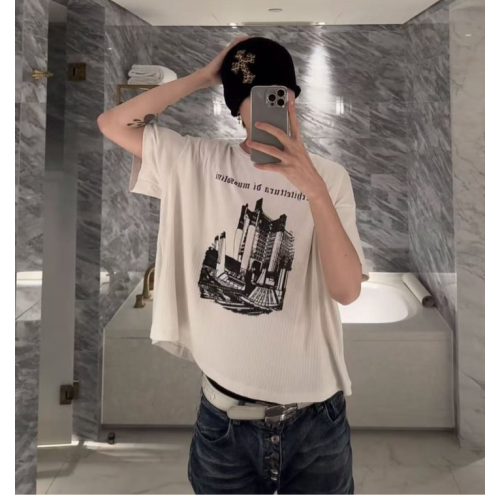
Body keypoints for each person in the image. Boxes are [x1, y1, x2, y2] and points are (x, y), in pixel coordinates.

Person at [98, 36, 368, 496]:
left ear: (293, 99)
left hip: (316, 421)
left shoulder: (329, 177)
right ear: (234, 106)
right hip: (223, 421)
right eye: (253, 95)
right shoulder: (196, 160)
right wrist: (204, 76)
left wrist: (314, 190)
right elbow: (112, 122)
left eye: (280, 94)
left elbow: (346, 291)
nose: (270, 105)